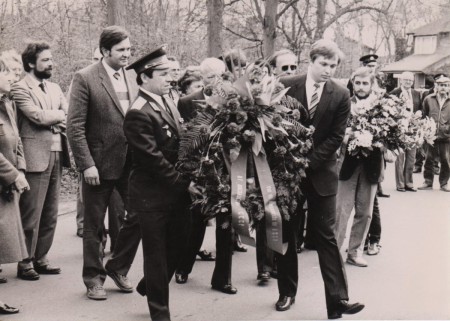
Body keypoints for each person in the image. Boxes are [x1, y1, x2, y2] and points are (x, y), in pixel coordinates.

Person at [279, 39, 364, 319]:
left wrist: (308, 162)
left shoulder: (340, 95)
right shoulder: (286, 84)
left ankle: (338, 300)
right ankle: (287, 292)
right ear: (311, 60)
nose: (328, 69)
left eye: (333, 65)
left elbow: (336, 138)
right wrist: (292, 162)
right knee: (288, 233)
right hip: (289, 173)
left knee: (326, 236)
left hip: (322, 173)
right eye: (323, 64)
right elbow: (274, 125)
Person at [123, 45, 200, 321]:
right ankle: (160, 313)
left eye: (171, 73)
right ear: (144, 77)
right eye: (163, 73)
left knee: (178, 247)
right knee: (156, 255)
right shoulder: (137, 112)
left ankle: (149, 285)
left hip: (175, 192)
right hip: (152, 196)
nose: (170, 78)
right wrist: (184, 184)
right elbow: (152, 160)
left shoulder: (167, 100)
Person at [67, 26, 139, 300]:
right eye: (121, 50)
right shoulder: (85, 78)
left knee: (137, 217)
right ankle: (93, 280)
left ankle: (118, 267)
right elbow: (74, 126)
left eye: (129, 49)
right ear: (105, 51)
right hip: (98, 164)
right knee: (94, 227)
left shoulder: (132, 77)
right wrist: (86, 164)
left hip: (130, 164)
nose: (126, 55)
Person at [11, 41, 70, 281]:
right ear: (31, 63)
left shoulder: (55, 87)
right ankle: (25, 262)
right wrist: (58, 116)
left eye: (51, 59)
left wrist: (55, 117)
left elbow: (69, 113)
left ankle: (41, 257)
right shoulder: (19, 87)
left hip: (57, 154)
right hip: (34, 157)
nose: (51, 63)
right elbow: (37, 116)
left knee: (50, 212)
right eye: (45, 60)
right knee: (31, 212)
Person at [175, 57, 227, 287]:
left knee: (226, 225)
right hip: (197, 169)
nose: (216, 82)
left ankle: (223, 278)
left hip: (224, 168)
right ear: (201, 77)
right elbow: (183, 139)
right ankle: (183, 266)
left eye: (221, 77)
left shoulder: (233, 99)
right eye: (210, 77)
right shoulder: (186, 102)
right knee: (194, 223)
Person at [334, 67, 385, 268]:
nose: (361, 87)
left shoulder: (382, 106)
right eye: (358, 83)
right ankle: (334, 252)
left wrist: (382, 141)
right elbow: (336, 132)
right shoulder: (344, 103)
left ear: (372, 85)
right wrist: (349, 137)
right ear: (353, 84)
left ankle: (354, 252)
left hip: (371, 166)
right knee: (341, 211)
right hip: (347, 165)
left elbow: (391, 135)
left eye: (365, 83)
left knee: (365, 212)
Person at [0, 58, 29, 315]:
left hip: (6, 185)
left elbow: (16, 140)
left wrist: (20, 168)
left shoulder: (6, 103)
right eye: (8, 73)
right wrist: (12, 174)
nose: (13, 78)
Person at [389, 71, 422, 192]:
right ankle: (401, 184)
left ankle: (409, 183)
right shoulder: (394, 93)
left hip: (413, 129)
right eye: (406, 80)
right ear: (401, 80)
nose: (408, 82)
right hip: (400, 130)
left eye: (410, 80)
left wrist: (418, 116)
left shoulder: (416, 93)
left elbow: (420, 109)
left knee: (411, 158)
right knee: (400, 158)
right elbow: (390, 111)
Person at [418, 76, 450, 192]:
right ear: (436, 86)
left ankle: (444, 183)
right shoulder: (428, 99)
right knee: (428, 159)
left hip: (446, 136)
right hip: (430, 135)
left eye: (446, 85)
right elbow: (424, 114)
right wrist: (426, 130)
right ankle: (427, 182)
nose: (443, 88)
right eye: (441, 85)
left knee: (446, 160)